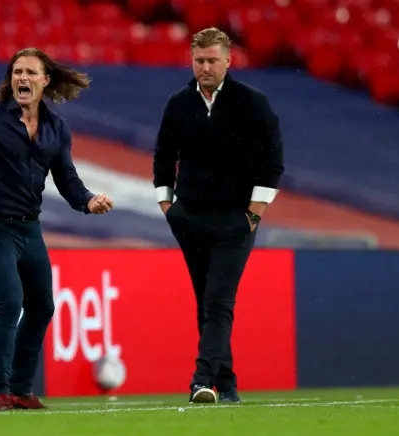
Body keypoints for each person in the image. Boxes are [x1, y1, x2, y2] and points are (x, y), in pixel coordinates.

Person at [0, 47, 113, 411]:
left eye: (31, 72)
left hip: (29, 230)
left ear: (45, 80)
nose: (22, 78)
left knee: (43, 306)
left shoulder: (56, 128)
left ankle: (19, 388)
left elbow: (67, 179)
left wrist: (88, 201)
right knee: (10, 303)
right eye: (17, 72)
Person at [152, 27, 284, 404]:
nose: (205, 67)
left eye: (212, 60)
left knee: (218, 301)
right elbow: (163, 157)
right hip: (189, 217)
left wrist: (253, 216)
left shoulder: (252, 102)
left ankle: (201, 380)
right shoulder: (178, 103)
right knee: (206, 300)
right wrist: (169, 208)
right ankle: (226, 385)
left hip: (234, 219)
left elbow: (272, 162)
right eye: (199, 60)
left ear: (229, 60)